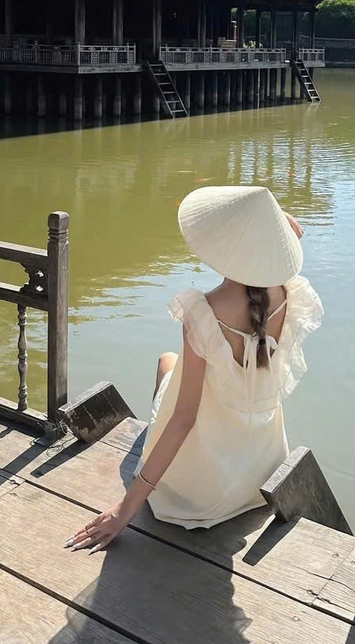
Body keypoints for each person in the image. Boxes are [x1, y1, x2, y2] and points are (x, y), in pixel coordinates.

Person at [66, 184, 323, 553]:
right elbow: (291, 239)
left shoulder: (206, 312)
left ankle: (153, 461)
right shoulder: (289, 291)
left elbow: (183, 420)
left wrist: (125, 509)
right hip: (262, 471)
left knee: (165, 362)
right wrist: (276, 223)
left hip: (203, 493)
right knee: (176, 367)